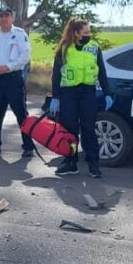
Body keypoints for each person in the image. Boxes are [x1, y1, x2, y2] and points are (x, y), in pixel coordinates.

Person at [50, 18, 110, 178]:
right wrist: (55, 97)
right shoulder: (64, 49)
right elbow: (56, 74)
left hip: (88, 92)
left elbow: (102, 72)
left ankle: (93, 165)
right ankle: (71, 162)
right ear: (76, 33)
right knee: (70, 130)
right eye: (85, 32)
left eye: (89, 32)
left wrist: (108, 92)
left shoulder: (94, 48)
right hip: (68, 93)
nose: (89, 35)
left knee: (89, 129)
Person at [0, 6, 35, 157]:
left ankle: (28, 146)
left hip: (13, 78)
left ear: (12, 17)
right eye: (1, 16)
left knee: (21, 114)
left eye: (7, 16)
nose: (4, 19)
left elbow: (25, 56)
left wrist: (9, 67)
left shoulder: (19, 34)